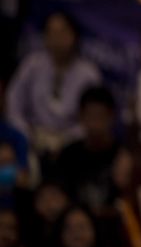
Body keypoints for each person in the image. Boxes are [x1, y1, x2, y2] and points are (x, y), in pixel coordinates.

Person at [6, 11, 101, 156]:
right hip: (32, 136)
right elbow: (13, 102)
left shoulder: (88, 74)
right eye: (51, 33)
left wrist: (67, 140)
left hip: (73, 143)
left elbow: (94, 116)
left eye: (62, 32)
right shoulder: (32, 65)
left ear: (74, 36)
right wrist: (25, 132)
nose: (57, 39)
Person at [54, 86, 122, 213]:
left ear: (111, 116)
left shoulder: (122, 155)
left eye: (100, 116)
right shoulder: (68, 155)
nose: (95, 123)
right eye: (90, 116)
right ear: (81, 116)